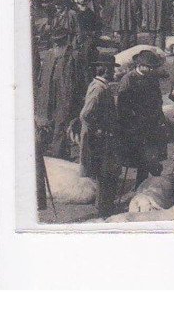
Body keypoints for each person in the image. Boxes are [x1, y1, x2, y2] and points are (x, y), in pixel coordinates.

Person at [115, 49, 168, 188]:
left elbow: (158, 99)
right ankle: (138, 184)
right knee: (138, 156)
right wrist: (130, 121)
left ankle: (146, 182)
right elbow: (122, 104)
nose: (151, 70)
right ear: (139, 65)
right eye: (149, 67)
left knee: (151, 153)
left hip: (151, 122)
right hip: (135, 124)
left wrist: (160, 115)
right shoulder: (128, 79)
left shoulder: (152, 78)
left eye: (153, 67)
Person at [78, 54, 121, 216]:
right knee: (105, 173)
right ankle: (103, 210)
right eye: (111, 69)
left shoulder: (102, 86)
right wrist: (98, 129)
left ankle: (105, 207)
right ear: (103, 70)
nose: (113, 72)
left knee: (107, 172)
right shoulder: (98, 88)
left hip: (104, 136)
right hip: (99, 139)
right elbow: (86, 114)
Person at [36, 29, 84, 159]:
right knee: (50, 127)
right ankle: (50, 154)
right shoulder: (50, 55)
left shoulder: (73, 56)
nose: (56, 44)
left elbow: (79, 81)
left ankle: (57, 155)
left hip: (63, 98)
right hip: (50, 97)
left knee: (60, 127)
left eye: (59, 41)